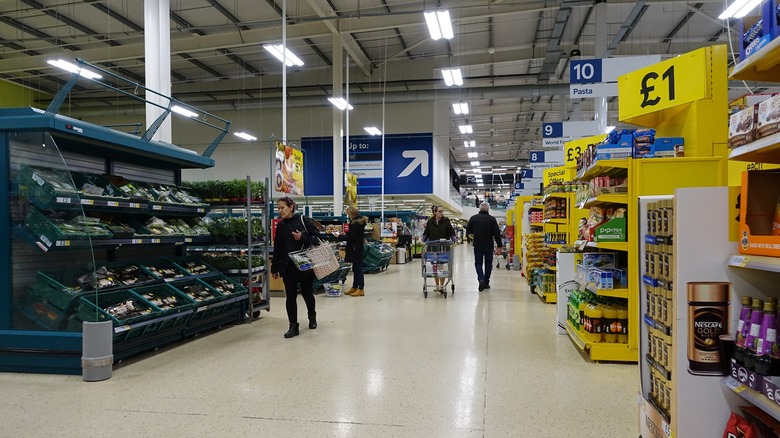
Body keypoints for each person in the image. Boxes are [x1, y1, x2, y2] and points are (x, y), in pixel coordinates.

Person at [271, 196, 320, 339]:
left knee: (307, 293)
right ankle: (293, 326)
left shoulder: (304, 221)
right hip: (288, 267)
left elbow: (318, 239)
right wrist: (274, 268)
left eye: (282, 208)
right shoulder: (280, 226)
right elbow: (278, 247)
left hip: (305, 265)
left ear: (291, 206)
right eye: (278, 208)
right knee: (290, 297)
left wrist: (302, 238)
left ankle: (312, 317)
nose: (280, 211)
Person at [466, 202, 503, 292]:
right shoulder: (492, 219)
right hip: (488, 245)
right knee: (488, 264)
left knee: (478, 263)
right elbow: (496, 234)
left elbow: (468, 231)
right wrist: (499, 246)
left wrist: (471, 239)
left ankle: (481, 278)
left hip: (477, 244)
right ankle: (486, 282)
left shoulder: (473, 218)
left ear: (480, 209)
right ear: (488, 209)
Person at [422, 204, 455, 292]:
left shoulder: (446, 221)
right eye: (439, 211)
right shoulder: (430, 221)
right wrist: (424, 237)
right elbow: (427, 232)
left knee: (442, 266)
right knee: (434, 266)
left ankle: (442, 285)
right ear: (435, 212)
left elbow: (451, 231)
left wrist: (453, 237)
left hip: (444, 247)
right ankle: (436, 285)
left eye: (442, 211)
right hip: (432, 247)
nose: (441, 213)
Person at [338, 206, 368, 297]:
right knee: (355, 268)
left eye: (348, 214)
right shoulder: (358, 223)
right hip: (357, 248)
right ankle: (355, 287)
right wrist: (346, 234)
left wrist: (340, 236)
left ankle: (361, 288)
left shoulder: (355, 224)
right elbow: (353, 235)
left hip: (355, 249)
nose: (348, 216)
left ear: (351, 214)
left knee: (358, 269)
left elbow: (351, 238)